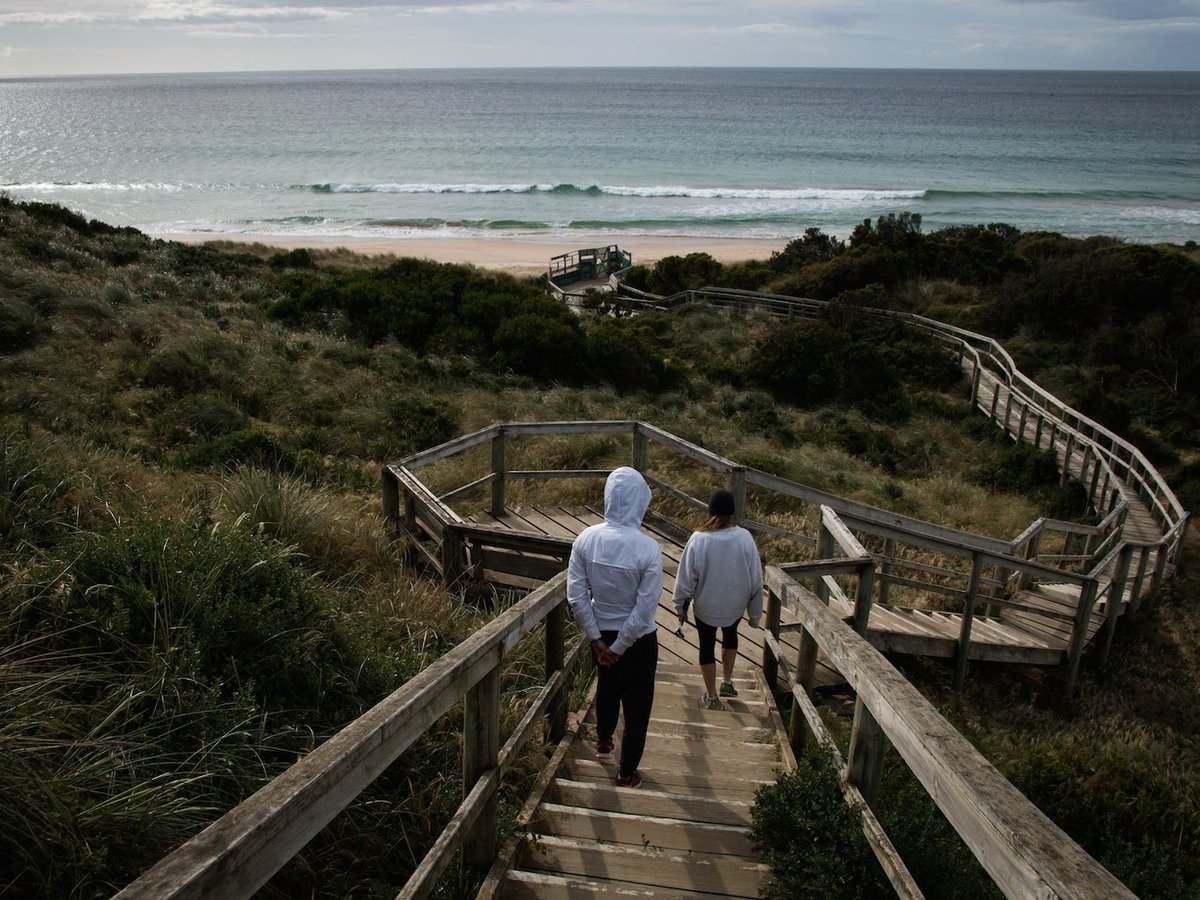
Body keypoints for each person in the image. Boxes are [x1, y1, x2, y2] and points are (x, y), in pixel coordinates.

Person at [567, 466, 663, 789]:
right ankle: (626, 772)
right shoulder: (649, 549)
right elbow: (645, 608)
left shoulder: (585, 539)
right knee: (638, 707)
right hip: (638, 641)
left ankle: (604, 741)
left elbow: (576, 596)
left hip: (601, 633)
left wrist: (598, 641)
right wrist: (621, 646)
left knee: (607, 688)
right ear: (640, 501)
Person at [673, 488, 763, 708]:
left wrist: (680, 606)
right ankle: (727, 682)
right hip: (735, 604)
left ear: (710, 511)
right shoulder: (744, 537)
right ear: (731, 512)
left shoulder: (698, 539)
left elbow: (686, 577)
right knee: (730, 635)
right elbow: (756, 578)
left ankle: (712, 696)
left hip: (706, 606)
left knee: (706, 645)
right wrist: (754, 615)